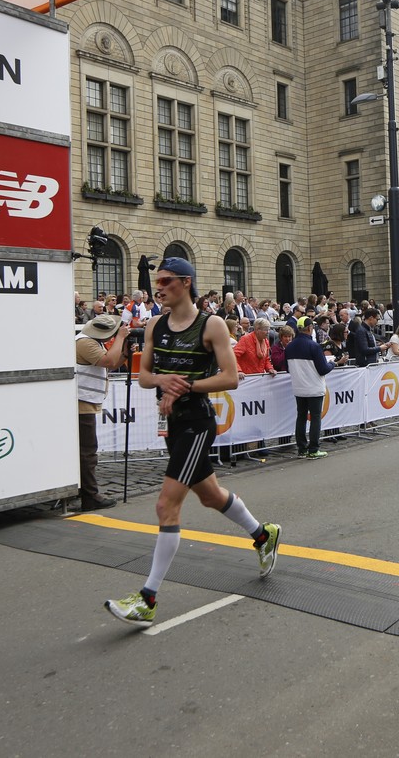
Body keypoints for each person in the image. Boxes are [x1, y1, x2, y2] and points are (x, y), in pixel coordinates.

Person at [105, 258, 281, 627]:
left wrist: (185, 385)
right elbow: (144, 376)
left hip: (197, 424)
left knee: (166, 505)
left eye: (166, 281)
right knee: (211, 496)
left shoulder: (211, 324)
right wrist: (163, 381)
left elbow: (231, 377)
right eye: (157, 281)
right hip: (172, 423)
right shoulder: (155, 324)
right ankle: (263, 534)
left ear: (186, 282)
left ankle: (148, 598)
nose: (159, 287)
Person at [75, 315, 130, 511]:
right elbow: (108, 361)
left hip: (86, 401)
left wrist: (124, 354)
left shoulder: (91, 341)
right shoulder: (85, 343)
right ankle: (90, 496)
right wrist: (121, 338)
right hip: (82, 402)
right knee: (88, 451)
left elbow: (112, 363)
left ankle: (84, 491)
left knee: (86, 451)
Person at [286, 317, 334, 458]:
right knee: (315, 417)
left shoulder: (289, 346)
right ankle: (313, 449)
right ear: (309, 328)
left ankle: (302, 449)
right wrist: (333, 364)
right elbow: (323, 369)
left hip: (299, 387)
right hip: (314, 387)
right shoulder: (314, 346)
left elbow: (288, 368)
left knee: (301, 417)